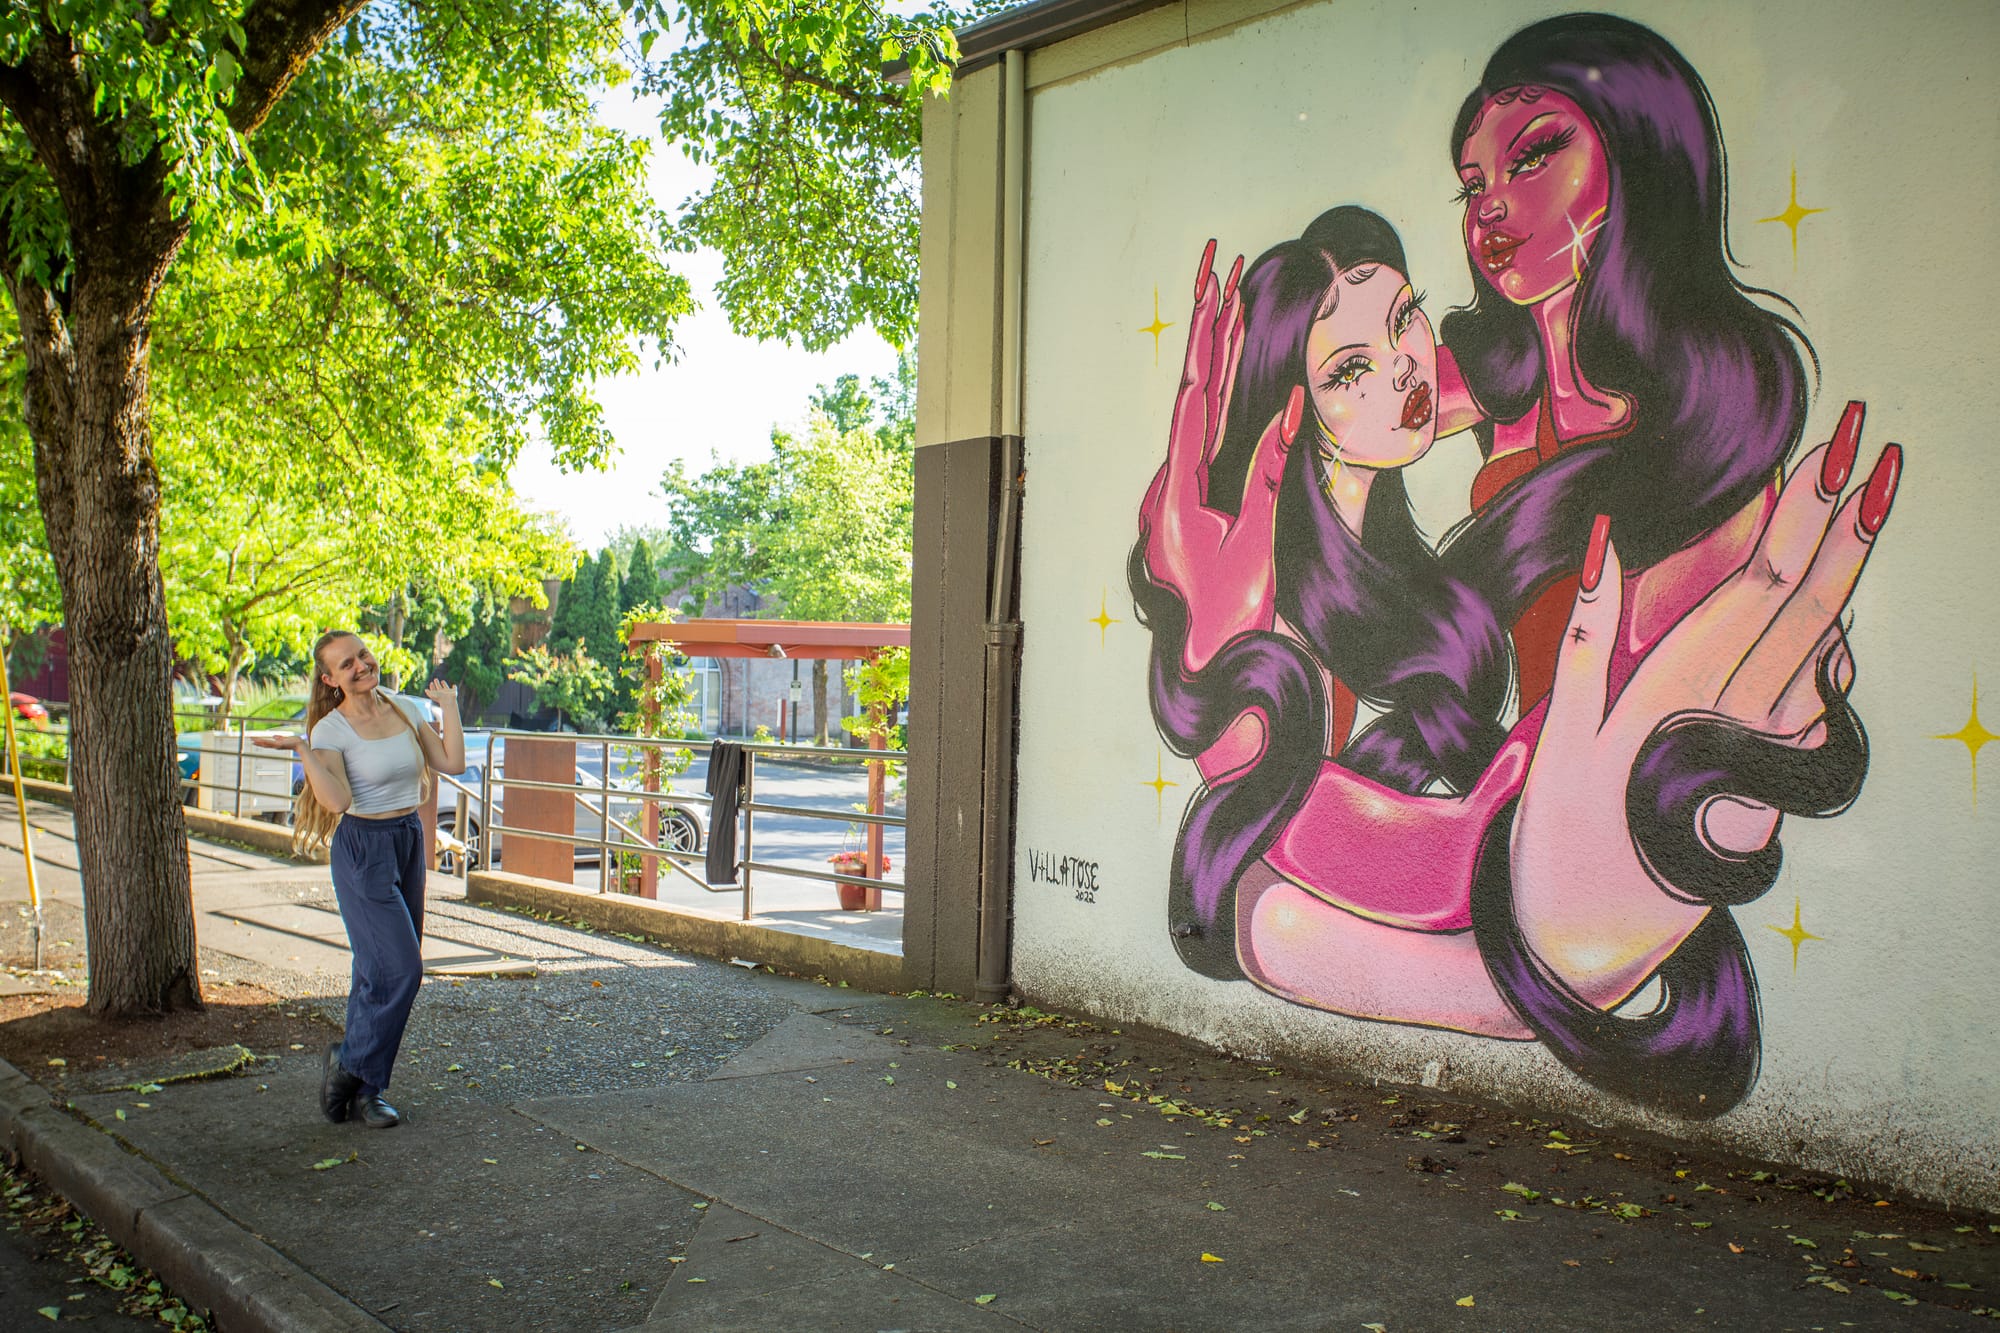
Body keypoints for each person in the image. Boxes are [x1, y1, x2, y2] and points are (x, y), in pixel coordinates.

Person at [1132, 14, 1900, 1117]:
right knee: (1270, 917)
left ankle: (1531, 963)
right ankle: (1524, 967)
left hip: (1610, 803)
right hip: (1502, 827)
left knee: (1284, 919)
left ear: (1641, 158)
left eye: (1534, 154)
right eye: (1471, 181)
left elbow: (1686, 683)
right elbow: (1354, 405)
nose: (1488, 202)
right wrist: (1227, 568)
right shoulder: (1482, 372)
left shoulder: (1710, 416)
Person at [256, 632, 464, 1128]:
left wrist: (449, 705)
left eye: (363, 656)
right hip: (363, 848)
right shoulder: (331, 730)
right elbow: (337, 802)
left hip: (407, 839)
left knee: (375, 974)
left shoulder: (405, 707)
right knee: (402, 970)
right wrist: (304, 750)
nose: (360, 666)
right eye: (345, 664)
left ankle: (367, 1091)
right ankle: (349, 1066)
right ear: (330, 679)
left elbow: (450, 762)